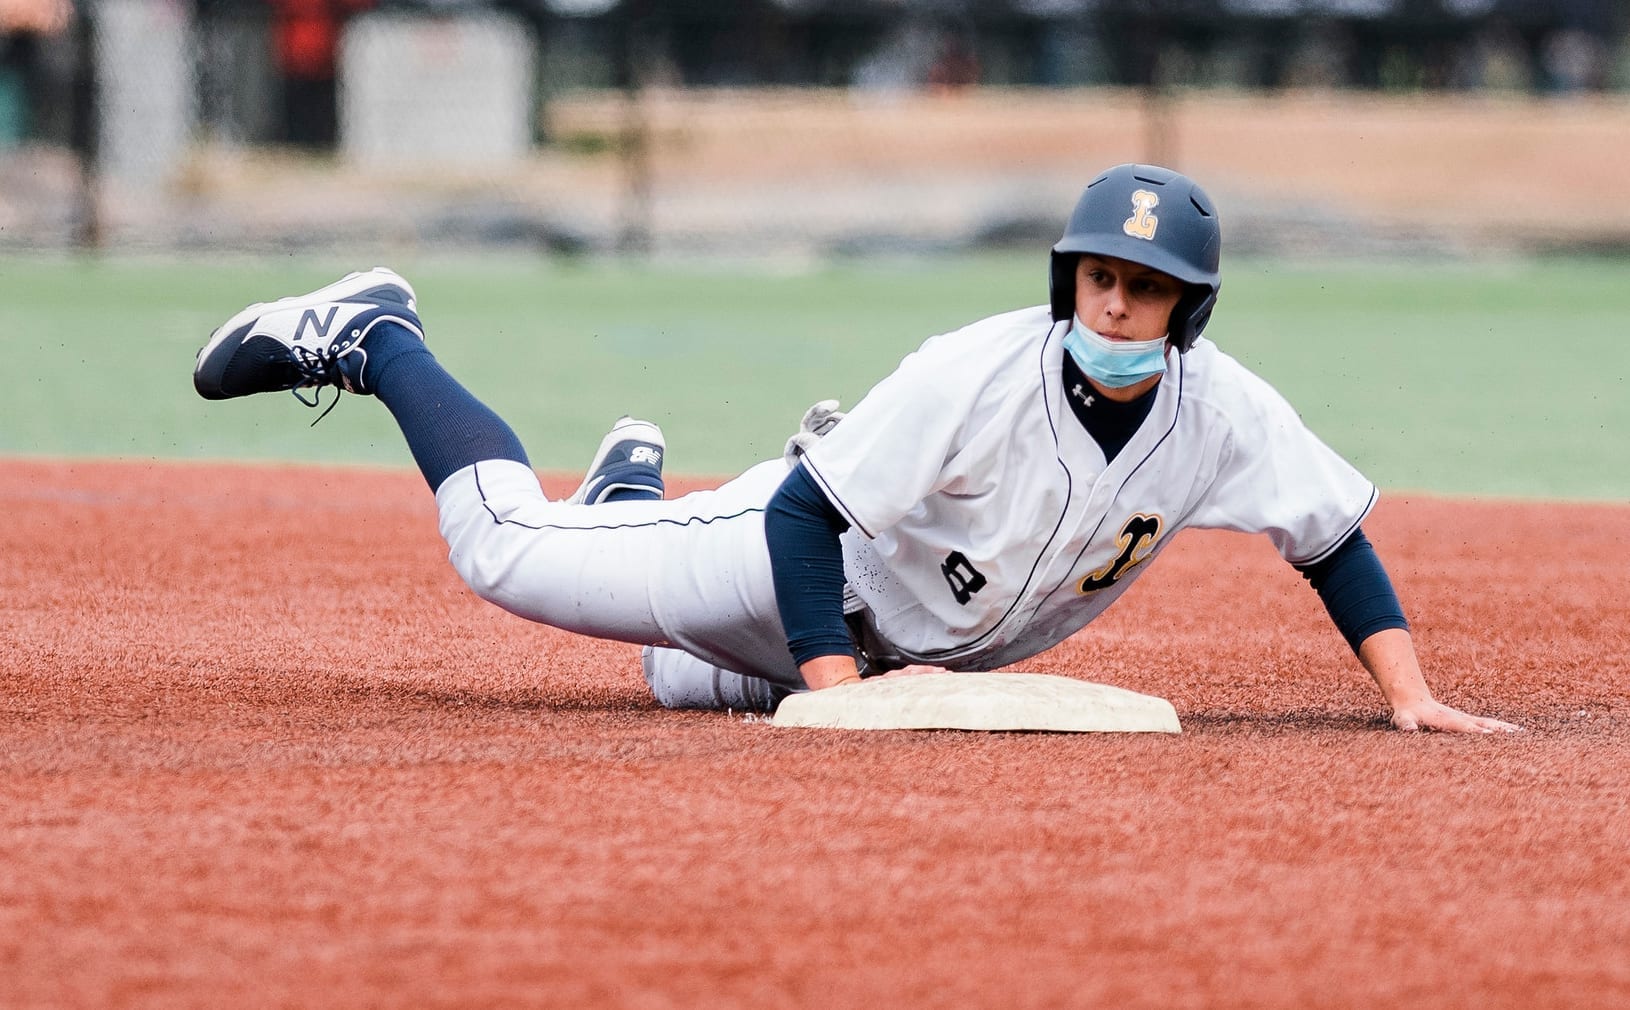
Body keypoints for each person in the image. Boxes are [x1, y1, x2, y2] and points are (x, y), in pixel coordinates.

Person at [192, 163, 1519, 734]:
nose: (1114, 303)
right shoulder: (975, 369)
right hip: (790, 570)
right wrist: (832, 687)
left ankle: (626, 494)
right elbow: (802, 526)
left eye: (1145, 285)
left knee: (668, 683)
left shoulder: (1222, 411)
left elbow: (1330, 538)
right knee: (500, 551)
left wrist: (1403, 693)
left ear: (1189, 307)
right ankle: (376, 334)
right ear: (1069, 281)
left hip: (893, 642)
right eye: (1097, 277)